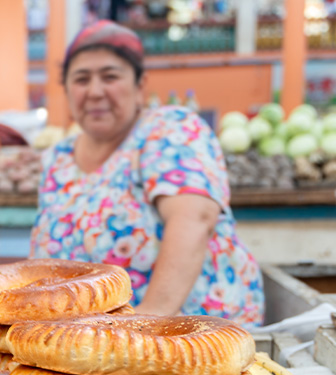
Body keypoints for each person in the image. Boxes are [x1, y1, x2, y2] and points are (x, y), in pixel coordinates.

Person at [30, 20, 264, 326]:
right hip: (95, 346)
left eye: (110, 77)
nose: (96, 91)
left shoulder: (169, 128)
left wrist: (149, 320)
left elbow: (194, 218)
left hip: (192, 335)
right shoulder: (58, 159)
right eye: (81, 79)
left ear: (140, 87)